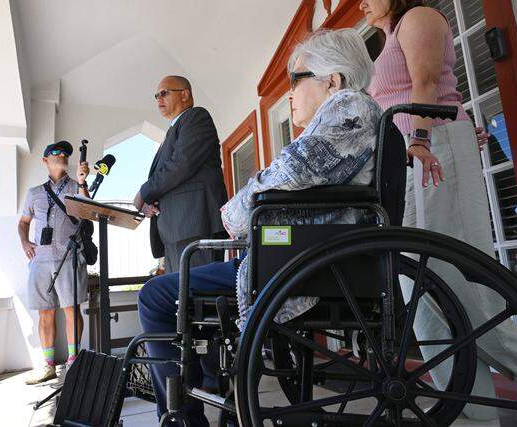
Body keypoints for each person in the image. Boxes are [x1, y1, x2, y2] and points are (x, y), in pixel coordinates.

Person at [138, 28, 380, 427]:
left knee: (156, 296)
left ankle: (185, 416)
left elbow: (290, 172)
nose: (289, 93)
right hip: (299, 254)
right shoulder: (351, 112)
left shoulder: (348, 107)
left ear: (332, 81)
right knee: (174, 289)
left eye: (296, 80)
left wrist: (233, 214)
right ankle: (201, 396)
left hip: (299, 262)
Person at [360, 1, 517, 425]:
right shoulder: (386, 39)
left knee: (460, 282)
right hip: (410, 158)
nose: (360, 3)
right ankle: (468, 406)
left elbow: (427, 82)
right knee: (420, 292)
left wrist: (424, 140)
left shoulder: (419, 18)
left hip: (431, 149)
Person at [133, 76, 227, 274]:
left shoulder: (196, 117)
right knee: (181, 300)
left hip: (194, 224)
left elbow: (181, 164)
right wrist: (153, 202)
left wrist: (144, 193)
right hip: (173, 230)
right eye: (156, 95)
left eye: (164, 92)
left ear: (185, 94)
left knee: (198, 297)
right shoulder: (171, 131)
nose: (159, 98)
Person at [18, 141, 90, 384]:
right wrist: (26, 243)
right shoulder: (34, 192)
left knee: (71, 308)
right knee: (45, 312)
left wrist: (82, 182)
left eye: (64, 153)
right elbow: (23, 222)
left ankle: (73, 362)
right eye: (55, 153)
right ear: (45, 160)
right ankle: (48, 365)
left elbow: (87, 211)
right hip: (41, 261)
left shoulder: (75, 185)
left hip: (69, 256)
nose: (61, 155)